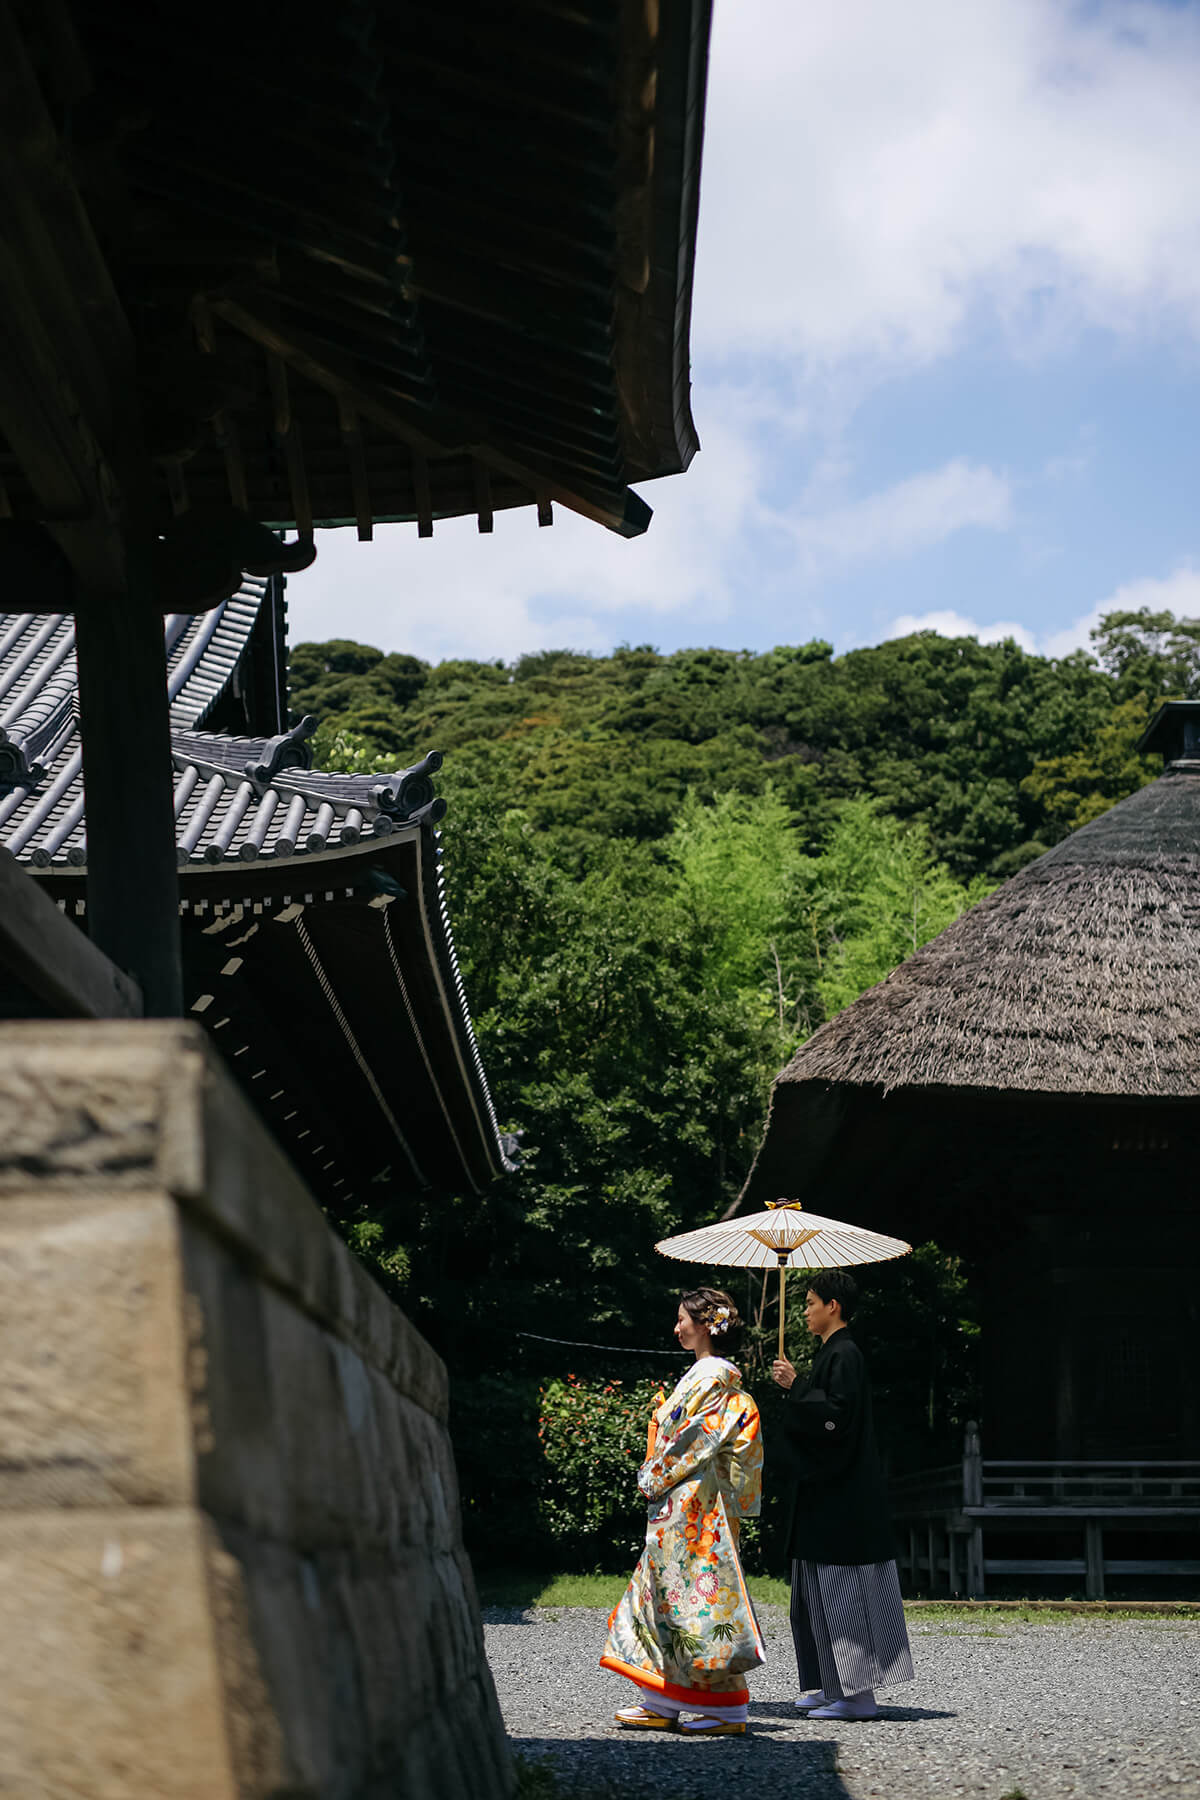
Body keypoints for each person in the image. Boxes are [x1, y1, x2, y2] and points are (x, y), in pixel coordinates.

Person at [601, 1288, 765, 1737]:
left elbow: (695, 1439)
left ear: (706, 1324)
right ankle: (663, 1699)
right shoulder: (709, 1375)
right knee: (671, 1598)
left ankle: (724, 1709)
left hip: (694, 1501)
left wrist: (652, 1474)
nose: (676, 1328)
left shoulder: (710, 1376)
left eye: (682, 1320)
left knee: (694, 1604)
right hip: (690, 1499)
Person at [772, 1270, 914, 1721]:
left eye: (811, 1302)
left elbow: (836, 1420)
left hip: (842, 1498)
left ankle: (857, 1695)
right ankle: (829, 1685)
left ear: (833, 1306)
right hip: (824, 1494)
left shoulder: (845, 1353)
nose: (806, 1311)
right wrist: (797, 1387)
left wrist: (795, 1386)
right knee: (814, 1592)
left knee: (841, 1591)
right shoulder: (831, 1354)